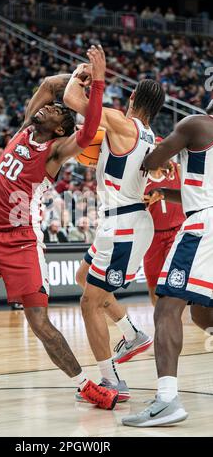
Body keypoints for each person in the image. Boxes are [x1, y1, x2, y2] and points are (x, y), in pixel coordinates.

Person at [0, 45, 119, 410]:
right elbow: (49, 84)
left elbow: (86, 135)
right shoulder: (25, 128)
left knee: (39, 323)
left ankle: (86, 385)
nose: (46, 107)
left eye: (53, 111)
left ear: (58, 129)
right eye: (49, 106)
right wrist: (78, 75)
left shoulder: (53, 153)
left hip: (21, 243)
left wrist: (96, 85)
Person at [64, 51, 165, 399]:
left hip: (122, 226)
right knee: (83, 279)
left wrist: (82, 75)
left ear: (134, 99)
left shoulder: (123, 124)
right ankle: (131, 332)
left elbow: (70, 99)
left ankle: (110, 380)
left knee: (89, 302)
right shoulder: (152, 135)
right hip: (125, 221)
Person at [122, 101, 213, 427]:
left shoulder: (195, 124)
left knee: (166, 308)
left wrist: (133, 142)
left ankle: (166, 400)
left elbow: (151, 159)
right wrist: (164, 190)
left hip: (202, 226)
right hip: (207, 217)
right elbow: (199, 190)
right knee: (204, 312)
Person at [143, 138, 185, 305]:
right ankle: (159, 321)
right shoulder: (141, 178)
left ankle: (175, 319)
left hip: (176, 231)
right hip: (151, 236)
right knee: (153, 284)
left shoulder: (178, 169)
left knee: (174, 281)